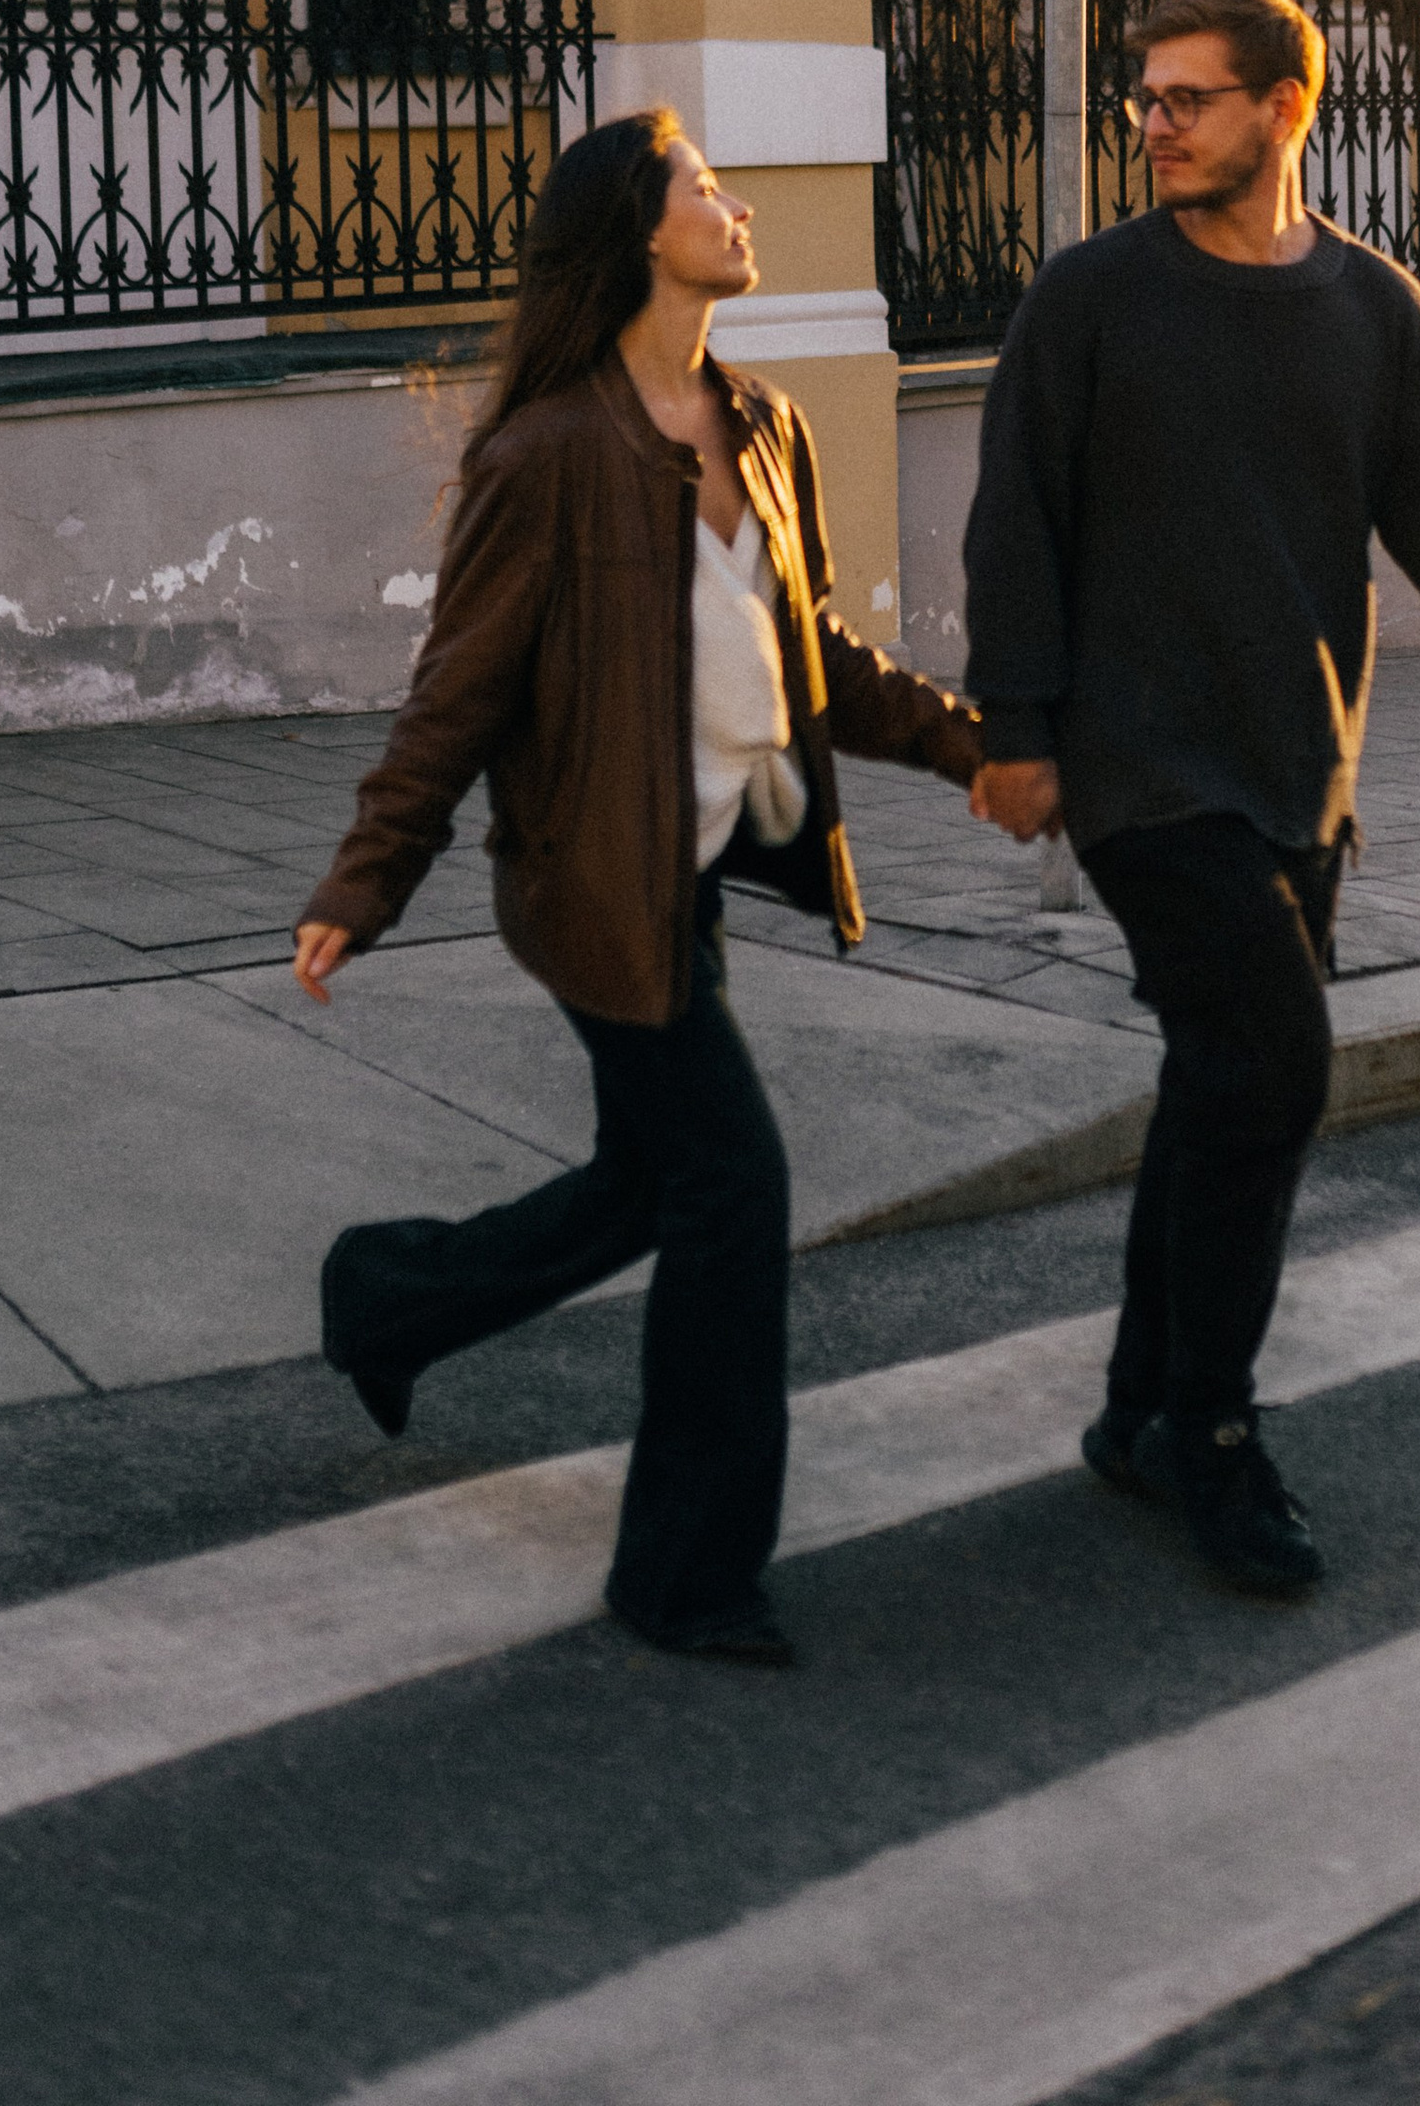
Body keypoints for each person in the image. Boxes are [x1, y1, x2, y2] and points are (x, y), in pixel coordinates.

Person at [961, 0, 1420, 1600]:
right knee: (1273, 1068)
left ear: (1283, 109)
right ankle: (1211, 1432)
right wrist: (1015, 728)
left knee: (1218, 1083)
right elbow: (1016, 519)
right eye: (1145, 98)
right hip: (1141, 766)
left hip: (1298, 766)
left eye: (1187, 99)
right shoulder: (1090, 298)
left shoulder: (1373, 309)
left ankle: (1139, 1405)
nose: (1154, 124)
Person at [292, 111, 981, 1667]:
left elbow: (816, 655)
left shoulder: (763, 427)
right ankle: (683, 1573)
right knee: (733, 1188)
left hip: (703, 861)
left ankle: (387, 1302)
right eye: (705, 189)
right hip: (593, 884)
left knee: (648, 1183)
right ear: (638, 234)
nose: (738, 208)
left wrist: (971, 750)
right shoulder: (549, 456)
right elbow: (456, 696)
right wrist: (365, 880)